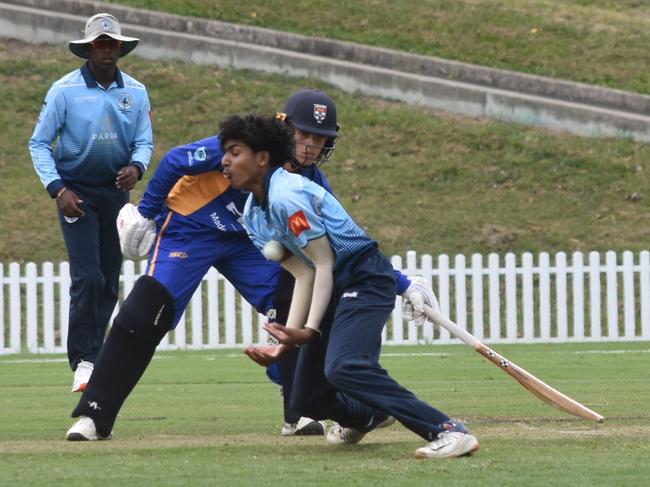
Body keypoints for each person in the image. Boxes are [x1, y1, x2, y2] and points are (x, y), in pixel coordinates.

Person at [63, 88, 435, 441]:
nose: (310, 147)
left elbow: (346, 242)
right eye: (304, 135)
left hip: (248, 239)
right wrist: (146, 214)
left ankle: (299, 408)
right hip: (194, 225)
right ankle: (95, 414)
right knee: (147, 309)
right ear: (283, 128)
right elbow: (177, 159)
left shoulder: (309, 181)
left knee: (294, 303)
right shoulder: (245, 148)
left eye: (320, 139)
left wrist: (403, 284)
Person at [219, 114, 479, 459]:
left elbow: (325, 261)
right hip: (333, 282)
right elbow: (304, 274)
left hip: (364, 275)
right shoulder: (253, 215)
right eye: (225, 152)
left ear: (262, 158)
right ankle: (368, 415)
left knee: (345, 366)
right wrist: (285, 345)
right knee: (306, 397)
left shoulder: (287, 197)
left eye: (235, 152)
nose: (224, 161)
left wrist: (309, 330)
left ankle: (447, 430)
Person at [28, 13, 153, 393]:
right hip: (75, 193)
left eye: (111, 44)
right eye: (99, 44)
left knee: (108, 281)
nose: (106, 50)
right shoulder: (64, 90)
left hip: (116, 195)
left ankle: (96, 357)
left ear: (119, 48)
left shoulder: (136, 91)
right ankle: (83, 361)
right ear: (87, 48)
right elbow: (38, 143)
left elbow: (143, 141)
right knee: (87, 278)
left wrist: (136, 167)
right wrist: (57, 189)